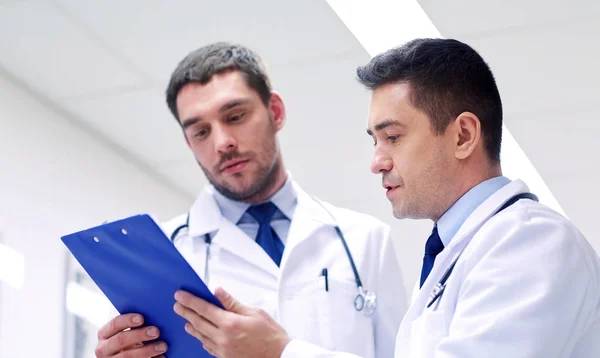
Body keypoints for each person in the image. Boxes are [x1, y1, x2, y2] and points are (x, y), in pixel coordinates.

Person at [176, 38, 600, 358]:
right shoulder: (456, 255)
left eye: (393, 137)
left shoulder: (531, 242)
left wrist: (283, 351)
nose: (376, 162)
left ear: (464, 135)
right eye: (374, 140)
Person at [93, 42, 407, 358]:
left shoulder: (365, 241)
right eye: (201, 132)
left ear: (276, 112)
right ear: (189, 143)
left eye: (235, 116)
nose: (222, 143)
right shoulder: (162, 257)